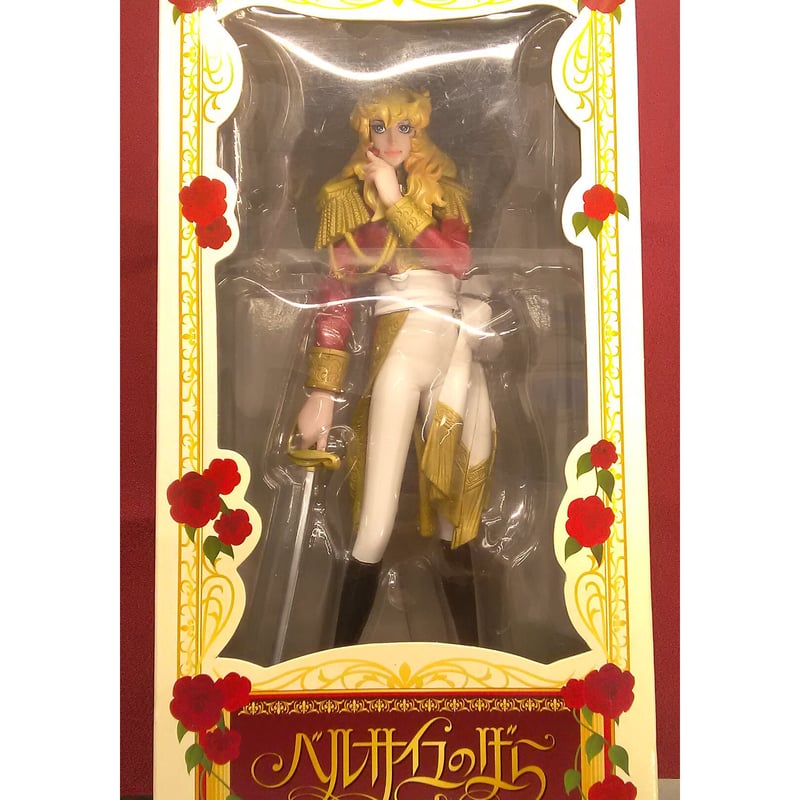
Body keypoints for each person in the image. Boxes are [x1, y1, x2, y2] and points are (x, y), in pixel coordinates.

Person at [296, 86, 497, 647]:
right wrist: (321, 391)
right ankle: (333, 662)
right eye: (378, 127)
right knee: (375, 525)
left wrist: (395, 197)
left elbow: (455, 261)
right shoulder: (344, 200)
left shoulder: (446, 194)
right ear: (363, 135)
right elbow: (336, 298)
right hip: (398, 348)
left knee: (459, 516)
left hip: (454, 347)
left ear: (421, 131)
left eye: (404, 128)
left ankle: (482, 662)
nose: (390, 139)